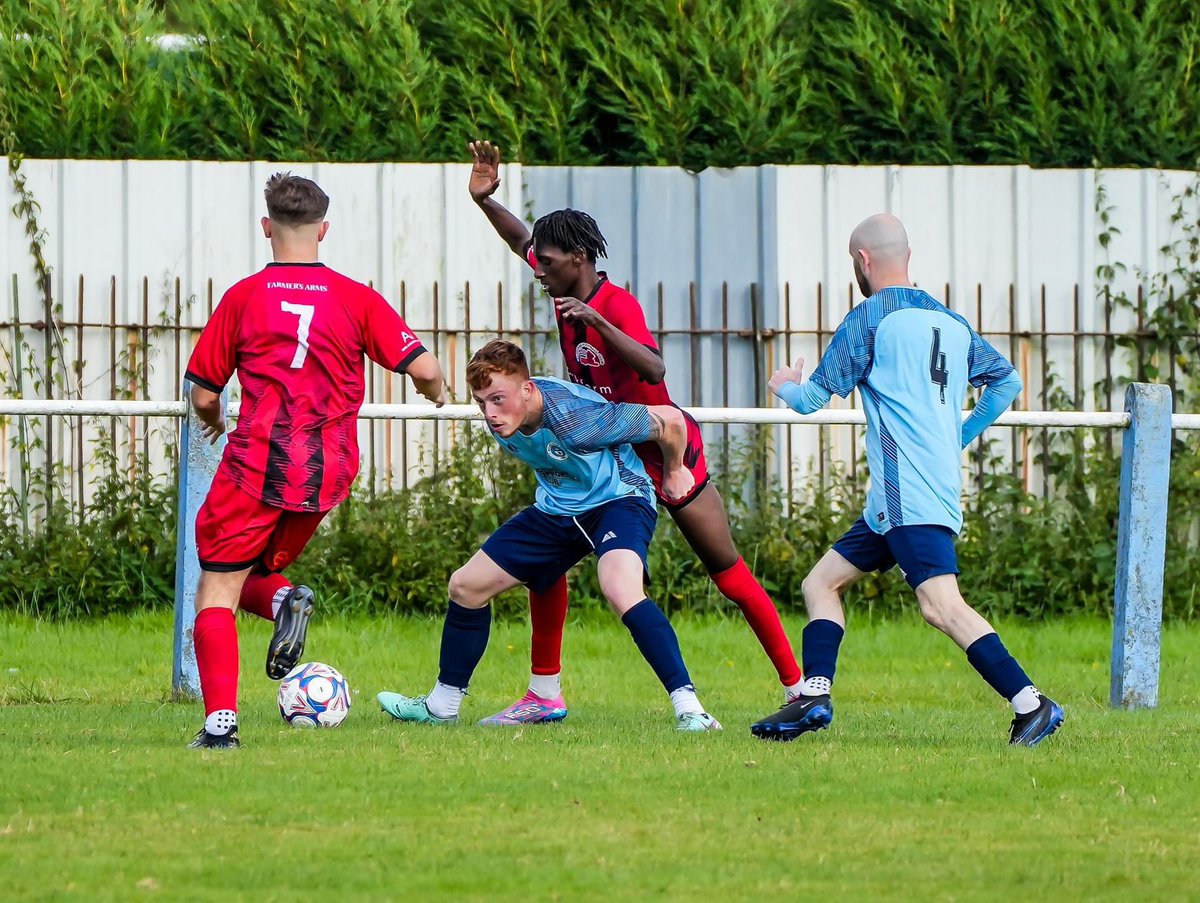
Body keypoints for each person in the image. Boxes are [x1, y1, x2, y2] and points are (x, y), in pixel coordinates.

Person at [467, 139, 801, 725]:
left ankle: (799, 686)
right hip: (607, 459)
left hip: (663, 445)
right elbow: (521, 237)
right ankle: (543, 694)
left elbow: (655, 369)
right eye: (537, 261)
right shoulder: (562, 284)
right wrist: (485, 201)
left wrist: (596, 319)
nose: (536, 269)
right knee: (545, 562)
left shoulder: (613, 304)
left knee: (726, 570)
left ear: (578, 258)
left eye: (547, 262)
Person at [750, 213, 1064, 746]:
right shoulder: (951, 321)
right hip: (905, 495)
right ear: (909, 257)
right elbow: (1006, 382)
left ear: (863, 262)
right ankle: (813, 695)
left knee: (941, 606)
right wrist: (956, 436)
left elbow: (808, 402)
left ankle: (1032, 704)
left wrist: (784, 383)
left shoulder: (869, 318)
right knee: (819, 583)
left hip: (907, 495)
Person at [184, 172, 447, 749]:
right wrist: (438, 392)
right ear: (323, 230)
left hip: (257, 463)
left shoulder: (245, 296)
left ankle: (220, 726)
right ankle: (282, 598)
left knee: (215, 591)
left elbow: (204, 392)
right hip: (325, 472)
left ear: (265, 228)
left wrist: (213, 422)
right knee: (253, 572)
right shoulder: (356, 298)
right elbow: (424, 368)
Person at [376, 340, 722, 732]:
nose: (490, 412)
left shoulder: (579, 420)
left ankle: (692, 710)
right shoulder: (506, 415)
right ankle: (444, 705)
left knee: (620, 588)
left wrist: (676, 469)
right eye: (481, 402)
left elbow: (670, 421)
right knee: (465, 586)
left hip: (618, 500)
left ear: (527, 390)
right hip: (559, 509)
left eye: (498, 399)